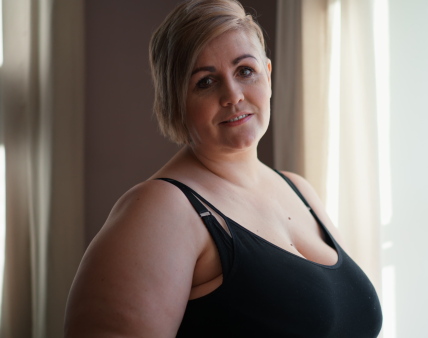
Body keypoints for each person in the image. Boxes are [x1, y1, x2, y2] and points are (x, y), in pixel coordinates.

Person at [64, 0, 382, 336]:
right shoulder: (160, 210)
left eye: (245, 71)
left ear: (268, 76)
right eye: (205, 82)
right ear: (176, 102)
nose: (232, 95)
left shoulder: (299, 189)